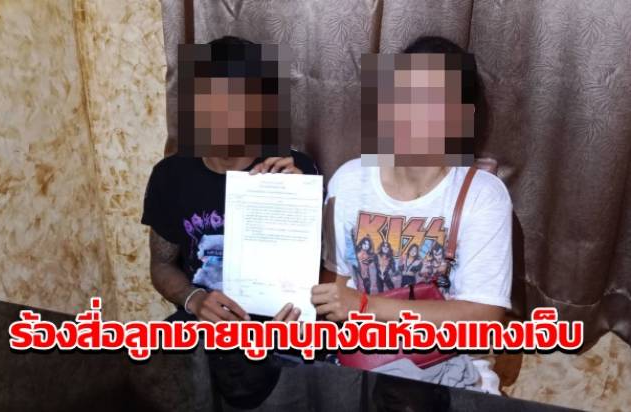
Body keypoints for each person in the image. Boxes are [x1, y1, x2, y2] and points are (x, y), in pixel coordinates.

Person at [313, 36, 512, 393]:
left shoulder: (483, 194)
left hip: (452, 371)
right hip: (364, 365)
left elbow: (484, 318)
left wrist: (365, 306)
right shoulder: (349, 180)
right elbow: (336, 286)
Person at [142, 36, 318, 324]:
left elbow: (328, 270)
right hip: (204, 322)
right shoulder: (170, 175)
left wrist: (300, 199)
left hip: (281, 322)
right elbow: (161, 265)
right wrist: (194, 299)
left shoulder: (295, 169)